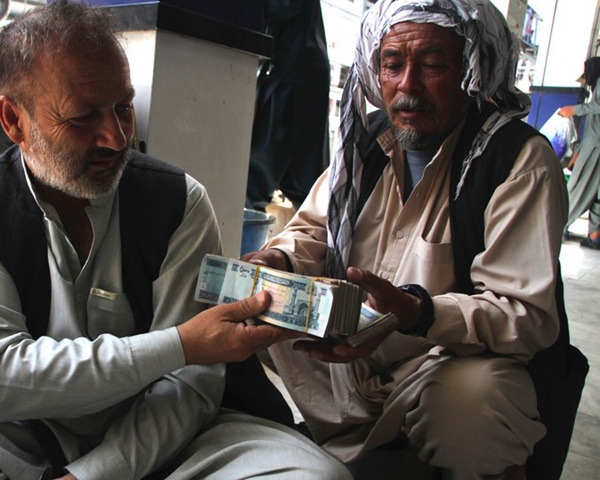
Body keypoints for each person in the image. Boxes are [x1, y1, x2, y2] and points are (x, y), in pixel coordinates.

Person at [0, 2, 351, 479]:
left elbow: (191, 385)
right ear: (14, 121)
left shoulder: (180, 201)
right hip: (28, 431)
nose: (116, 138)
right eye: (83, 117)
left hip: (174, 433)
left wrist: (94, 474)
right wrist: (181, 344)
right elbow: (5, 383)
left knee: (316, 476)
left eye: (123, 108)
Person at [244, 0, 573, 478]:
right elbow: (315, 228)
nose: (407, 86)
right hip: (352, 362)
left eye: (434, 64)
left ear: (471, 71)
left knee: (472, 409)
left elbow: (524, 314)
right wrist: (279, 257)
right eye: (392, 64)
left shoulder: (515, 159)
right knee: (245, 313)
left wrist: (419, 313)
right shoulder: (369, 139)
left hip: (440, 366)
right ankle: (349, 447)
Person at [245, 0, 330, 212]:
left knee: (257, 179)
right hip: (296, 68)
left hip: (293, 72)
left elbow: (284, 6)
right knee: (302, 179)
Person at [558, 57, 600, 250]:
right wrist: (578, 151)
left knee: (576, 186)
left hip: (596, 147)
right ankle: (595, 235)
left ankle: (558, 225)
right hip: (593, 145)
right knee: (597, 194)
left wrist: (573, 110)